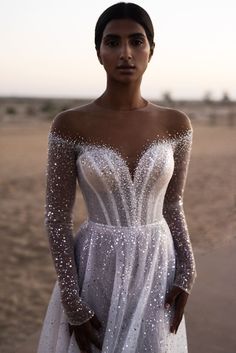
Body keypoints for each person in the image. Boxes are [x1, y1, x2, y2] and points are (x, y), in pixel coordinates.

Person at [37, 2, 197, 352]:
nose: (125, 52)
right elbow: (56, 217)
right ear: (99, 52)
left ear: (151, 50)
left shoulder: (176, 124)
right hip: (96, 268)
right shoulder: (70, 125)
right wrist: (72, 302)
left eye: (136, 41)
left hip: (158, 265)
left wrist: (187, 269)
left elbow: (173, 202)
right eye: (113, 42)